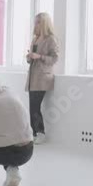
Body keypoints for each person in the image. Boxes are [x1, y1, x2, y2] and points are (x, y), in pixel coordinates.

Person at [25, 12, 59, 145]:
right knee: (32, 107)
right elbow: (31, 59)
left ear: (44, 23)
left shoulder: (51, 39)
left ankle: (41, 133)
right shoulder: (35, 38)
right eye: (35, 22)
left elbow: (54, 58)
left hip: (43, 78)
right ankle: (34, 134)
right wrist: (29, 57)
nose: (36, 25)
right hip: (33, 77)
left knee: (35, 106)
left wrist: (39, 56)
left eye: (38, 22)